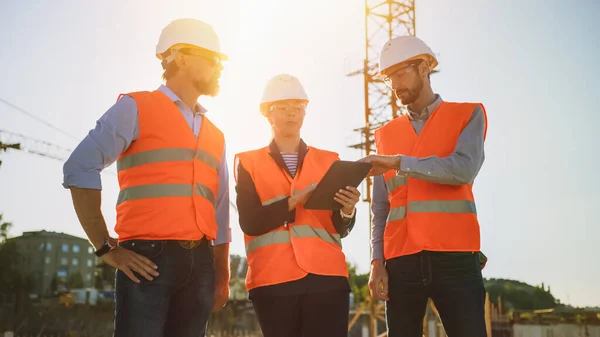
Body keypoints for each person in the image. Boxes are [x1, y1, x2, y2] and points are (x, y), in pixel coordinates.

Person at [62, 18, 231, 337]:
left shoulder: (215, 134)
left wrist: (221, 273)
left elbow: (220, 208)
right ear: (181, 58)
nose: (219, 66)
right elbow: (80, 165)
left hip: (201, 263)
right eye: (212, 58)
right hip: (147, 260)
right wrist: (104, 247)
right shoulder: (135, 107)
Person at [358, 35, 489, 337]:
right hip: (401, 262)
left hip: (456, 258)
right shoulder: (385, 135)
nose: (394, 85)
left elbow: (463, 170)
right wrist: (377, 260)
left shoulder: (467, 115)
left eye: (400, 73)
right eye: (389, 78)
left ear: (424, 68)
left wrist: (398, 163)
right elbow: (381, 207)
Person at [234, 74, 360, 337]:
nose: (291, 114)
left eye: (298, 107)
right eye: (282, 107)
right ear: (268, 114)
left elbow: (339, 227)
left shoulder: (329, 160)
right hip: (273, 281)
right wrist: (295, 200)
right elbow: (250, 221)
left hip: (327, 279)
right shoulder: (248, 163)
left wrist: (347, 210)